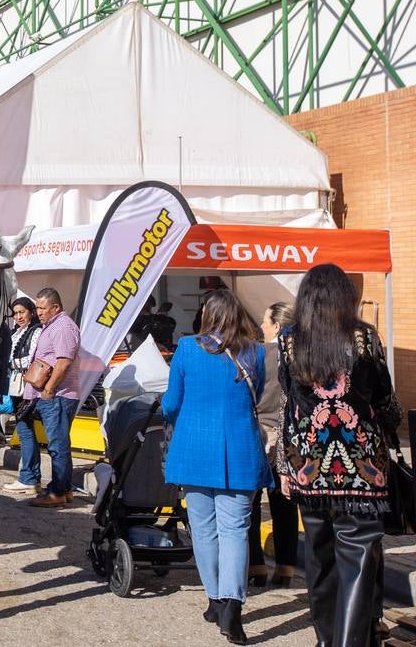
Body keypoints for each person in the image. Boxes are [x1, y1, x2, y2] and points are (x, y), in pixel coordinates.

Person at [279, 264, 401, 647]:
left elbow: (289, 408)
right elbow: (384, 397)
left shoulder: (289, 340)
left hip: (309, 466)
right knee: (359, 560)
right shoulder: (364, 338)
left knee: (319, 558)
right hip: (360, 467)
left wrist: (285, 465)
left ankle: (326, 638)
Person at [161, 287, 270, 644]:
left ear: (207, 316)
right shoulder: (255, 352)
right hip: (240, 450)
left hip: (193, 449)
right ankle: (232, 607)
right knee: (235, 530)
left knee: (203, 529)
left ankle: (213, 597)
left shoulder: (187, 349)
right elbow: (259, 393)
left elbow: (172, 403)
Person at [247, 301, 298, 589]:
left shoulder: (258, 354)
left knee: (252, 503)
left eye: (266, 321)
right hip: (289, 437)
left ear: (277, 326)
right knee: (285, 504)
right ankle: (286, 568)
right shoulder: (299, 358)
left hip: (260, 434)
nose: (262, 325)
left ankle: (256, 566)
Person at [19, 288, 82, 508]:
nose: (38, 312)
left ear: (56, 307)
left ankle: (57, 493)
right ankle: (64, 489)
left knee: (57, 444)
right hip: (54, 394)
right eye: (37, 307)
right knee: (59, 443)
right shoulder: (52, 326)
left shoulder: (63, 327)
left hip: (58, 395)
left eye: (42, 308)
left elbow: (64, 362)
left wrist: (49, 389)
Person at [2, 296, 43, 494]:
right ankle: (29, 476)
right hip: (16, 386)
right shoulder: (16, 332)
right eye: (15, 313)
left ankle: (29, 477)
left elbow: (32, 358)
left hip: (27, 386)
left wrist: (11, 363)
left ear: (31, 312)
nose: (18, 317)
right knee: (25, 430)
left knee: (26, 432)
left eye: (22, 312)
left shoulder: (36, 331)